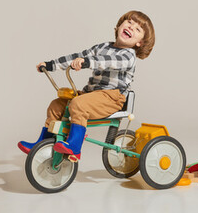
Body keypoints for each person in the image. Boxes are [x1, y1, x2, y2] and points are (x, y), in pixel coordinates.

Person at [16, 10, 155, 161]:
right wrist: (51, 65)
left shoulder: (129, 55)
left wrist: (88, 63)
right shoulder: (101, 47)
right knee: (56, 106)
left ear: (139, 43)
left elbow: (108, 61)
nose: (131, 27)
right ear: (120, 24)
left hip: (112, 98)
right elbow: (77, 57)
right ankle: (42, 144)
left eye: (137, 29)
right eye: (129, 22)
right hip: (91, 95)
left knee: (78, 105)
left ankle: (74, 147)